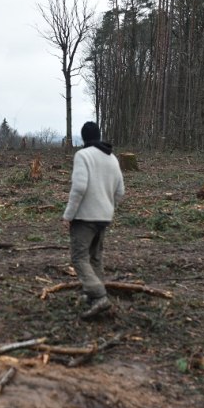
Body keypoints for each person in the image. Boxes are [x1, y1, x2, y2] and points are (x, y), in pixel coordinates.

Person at [62, 122, 125, 319]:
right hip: (104, 217)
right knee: (95, 257)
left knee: (79, 257)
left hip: (85, 217)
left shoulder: (83, 155)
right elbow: (120, 191)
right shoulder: (112, 157)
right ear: (99, 135)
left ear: (83, 138)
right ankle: (93, 296)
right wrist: (108, 207)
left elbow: (79, 187)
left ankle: (98, 295)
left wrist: (68, 215)